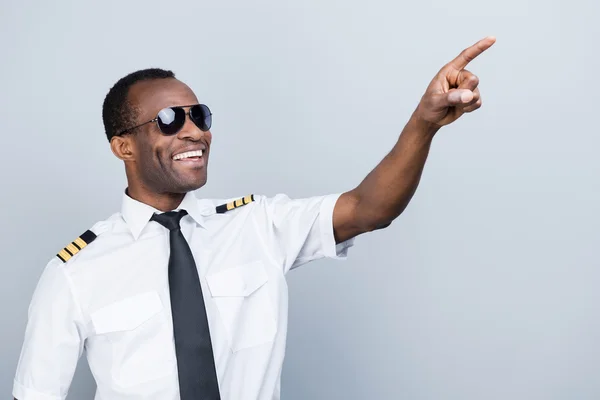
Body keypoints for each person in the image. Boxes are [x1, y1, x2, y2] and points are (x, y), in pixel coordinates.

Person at [12, 36, 496, 400]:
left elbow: (369, 209)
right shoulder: (74, 273)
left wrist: (424, 123)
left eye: (199, 115)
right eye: (168, 120)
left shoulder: (257, 226)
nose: (192, 132)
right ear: (122, 146)